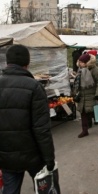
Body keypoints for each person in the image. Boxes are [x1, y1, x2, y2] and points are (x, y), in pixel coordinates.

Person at [0, 45, 56, 194]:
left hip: (5, 155)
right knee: (44, 189)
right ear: (27, 64)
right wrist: (49, 160)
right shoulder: (35, 87)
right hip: (34, 156)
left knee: (10, 190)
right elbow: (42, 129)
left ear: (7, 62)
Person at [75, 53, 98, 138]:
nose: (80, 63)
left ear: (86, 62)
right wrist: (76, 93)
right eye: (79, 62)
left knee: (95, 112)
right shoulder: (80, 69)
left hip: (92, 94)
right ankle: (85, 131)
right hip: (82, 95)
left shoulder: (94, 69)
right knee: (83, 113)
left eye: (81, 62)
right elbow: (78, 81)